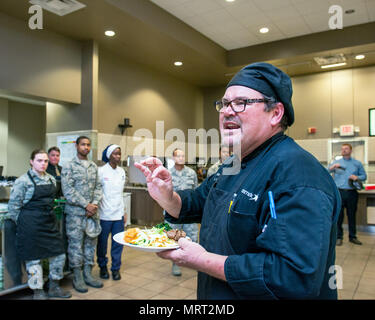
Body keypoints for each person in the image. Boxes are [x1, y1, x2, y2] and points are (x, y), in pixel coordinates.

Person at [135, 62, 341, 300]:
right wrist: (167, 196)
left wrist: (202, 260)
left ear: (275, 113)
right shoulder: (233, 165)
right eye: (223, 104)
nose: (226, 111)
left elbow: (292, 277)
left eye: (241, 102)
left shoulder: (298, 174)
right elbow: (200, 202)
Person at [7, 149, 71, 299]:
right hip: (30, 225)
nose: (43, 164)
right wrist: (24, 223)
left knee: (59, 255)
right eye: (39, 161)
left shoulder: (51, 179)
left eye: (45, 161)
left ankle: (54, 286)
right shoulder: (23, 181)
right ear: (31, 161)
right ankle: (38, 291)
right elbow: (13, 207)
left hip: (49, 223)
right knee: (34, 259)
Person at [61, 136, 103, 293]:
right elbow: (68, 190)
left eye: (88, 145)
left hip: (92, 214)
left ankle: (88, 274)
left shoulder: (93, 166)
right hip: (75, 215)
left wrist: (94, 204)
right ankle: (77, 277)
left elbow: (99, 187)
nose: (86, 147)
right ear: (77, 146)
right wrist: (86, 205)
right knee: (75, 245)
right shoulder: (69, 166)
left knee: (90, 244)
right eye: (83, 144)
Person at [166, 148, 199, 276]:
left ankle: (195, 261)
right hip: (173, 213)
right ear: (173, 158)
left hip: (190, 213)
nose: (181, 158)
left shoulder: (192, 173)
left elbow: (196, 192)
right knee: (175, 238)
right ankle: (176, 263)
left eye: (183, 155)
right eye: (178, 156)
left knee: (192, 237)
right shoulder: (167, 174)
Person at [97, 144, 126, 281]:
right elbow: (97, 193)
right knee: (102, 243)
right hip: (104, 214)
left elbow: (121, 194)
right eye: (115, 153)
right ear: (109, 156)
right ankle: (102, 266)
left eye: (119, 153)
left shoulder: (121, 172)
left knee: (118, 243)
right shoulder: (101, 171)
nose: (118, 156)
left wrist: (124, 212)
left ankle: (115, 269)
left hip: (118, 214)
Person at [329, 143, 367, 246]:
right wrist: (332, 167)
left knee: (351, 215)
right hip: (339, 192)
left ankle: (352, 237)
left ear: (351, 150)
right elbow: (327, 172)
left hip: (351, 192)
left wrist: (357, 177)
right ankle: (338, 237)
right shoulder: (336, 162)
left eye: (346, 149)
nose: (344, 150)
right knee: (339, 216)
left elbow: (364, 176)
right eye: (342, 149)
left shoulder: (357, 163)